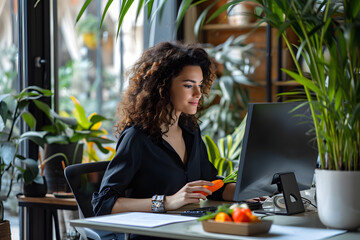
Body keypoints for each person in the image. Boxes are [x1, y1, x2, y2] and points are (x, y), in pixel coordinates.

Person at [92, 41, 236, 239]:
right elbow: (103, 203)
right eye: (188, 85)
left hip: (186, 232)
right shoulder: (136, 138)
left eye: (200, 85)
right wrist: (167, 202)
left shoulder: (190, 130)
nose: (198, 94)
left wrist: (245, 191)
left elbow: (210, 184)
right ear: (163, 86)